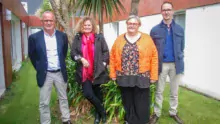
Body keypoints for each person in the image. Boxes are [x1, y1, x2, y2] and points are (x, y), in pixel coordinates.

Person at [109, 15, 158, 124]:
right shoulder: (119, 39)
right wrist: (112, 73)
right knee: (128, 101)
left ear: (138, 25)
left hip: (142, 76)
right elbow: (112, 56)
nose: (131, 25)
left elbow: (154, 57)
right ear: (126, 24)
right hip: (124, 76)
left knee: (141, 102)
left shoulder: (147, 39)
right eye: (129, 23)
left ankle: (141, 121)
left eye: (134, 24)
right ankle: (129, 121)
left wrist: (154, 75)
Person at [28, 11, 71, 124]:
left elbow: (64, 52)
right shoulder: (34, 37)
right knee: (44, 102)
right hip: (45, 73)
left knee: (63, 98)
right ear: (42, 22)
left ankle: (66, 120)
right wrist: (40, 68)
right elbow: (32, 56)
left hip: (59, 73)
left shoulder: (62, 36)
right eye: (46, 20)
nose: (48, 22)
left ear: (54, 21)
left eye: (50, 20)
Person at [149, 1, 185, 124]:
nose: (166, 12)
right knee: (159, 90)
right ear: (161, 12)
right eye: (164, 10)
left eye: (168, 9)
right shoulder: (155, 30)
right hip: (161, 65)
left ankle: (173, 112)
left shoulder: (180, 29)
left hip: (176, 64)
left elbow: (182, 46)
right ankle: (156, 113)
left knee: (174, 91)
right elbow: (152, 49)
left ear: (172, 11)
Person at [70, 16, 109, 124]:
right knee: (88, 94)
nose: (87, 27)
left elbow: (106, 52)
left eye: (89, 25)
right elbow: (73, 54)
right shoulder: (78, 38)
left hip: (98, 71)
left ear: (92, 26)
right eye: (85, 25)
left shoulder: (99, 37)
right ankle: (102, 112)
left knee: (98, 94)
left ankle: (98, 117)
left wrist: (104, 64)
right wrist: (81, 59)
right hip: (84, 72)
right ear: (82, 26)